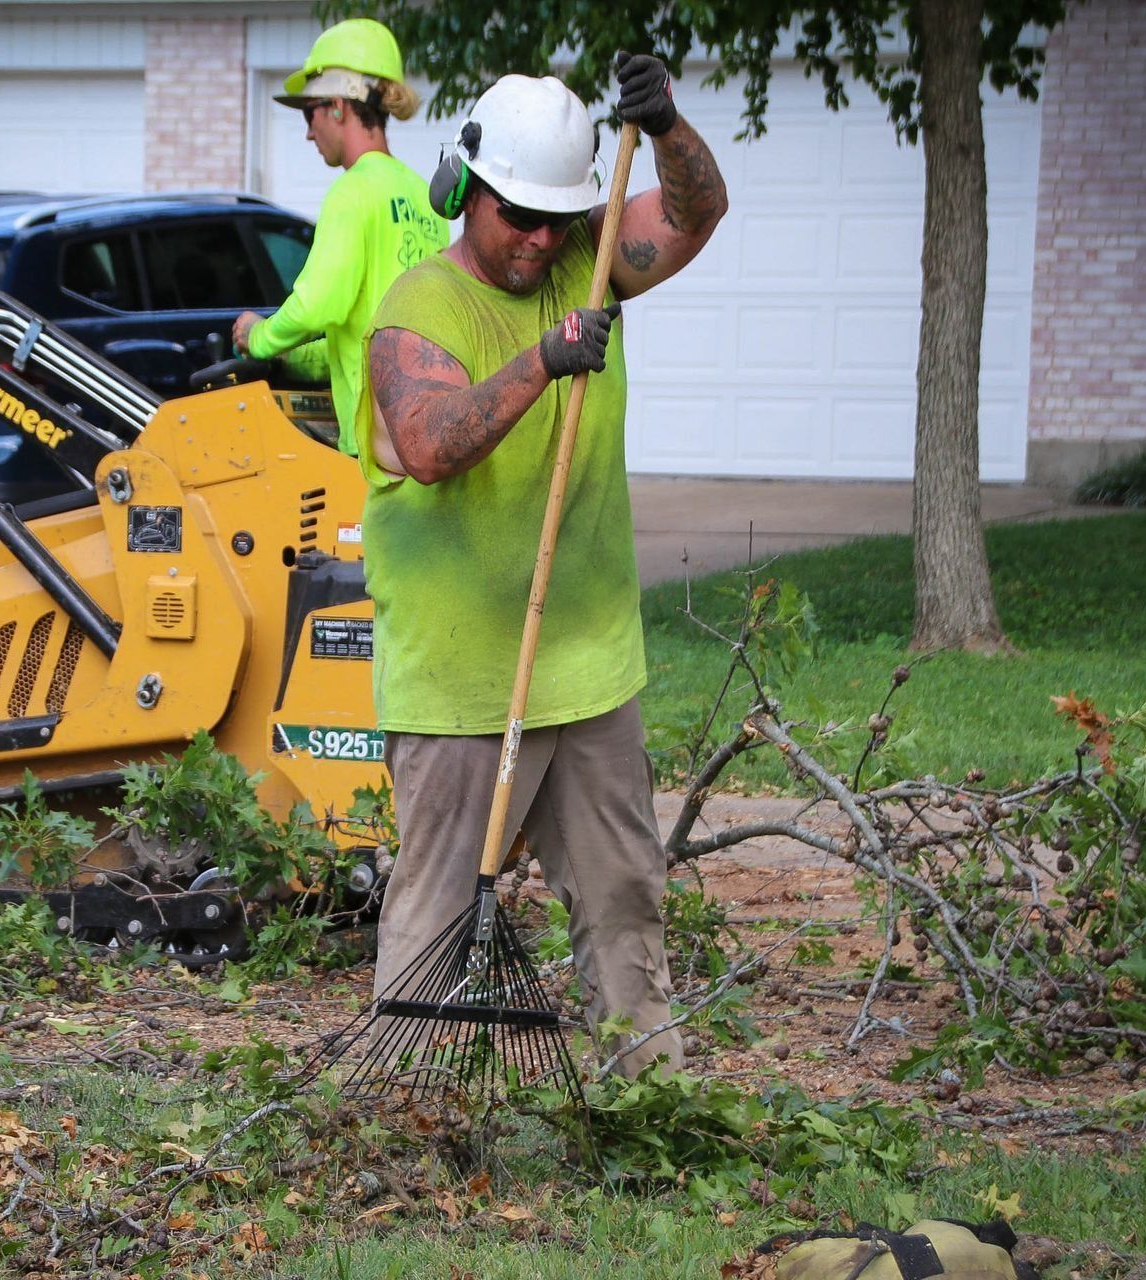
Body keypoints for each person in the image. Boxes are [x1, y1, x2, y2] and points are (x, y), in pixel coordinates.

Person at [356, 56, 727, 1076]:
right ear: (466, 189)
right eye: (518, 214)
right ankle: (406, 1109)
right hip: (462, 679)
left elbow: (695, 214)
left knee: (623, 897)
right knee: (434, 912)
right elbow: (431, 443)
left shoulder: (588, 260)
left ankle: (648, 1098)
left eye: (557, 218)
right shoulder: (416, 309)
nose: (538, 238)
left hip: (591, 665)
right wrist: (544, 359)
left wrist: (667, 129)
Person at [230, 18, 446, 456]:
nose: (308, 131)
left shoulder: (352, 191)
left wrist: (258, 337)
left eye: (309, 112)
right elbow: (365, 327)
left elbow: (317, 305)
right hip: (428, 432)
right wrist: (296, 359)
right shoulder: (424, 196)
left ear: (337, 105)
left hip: (376, 450)